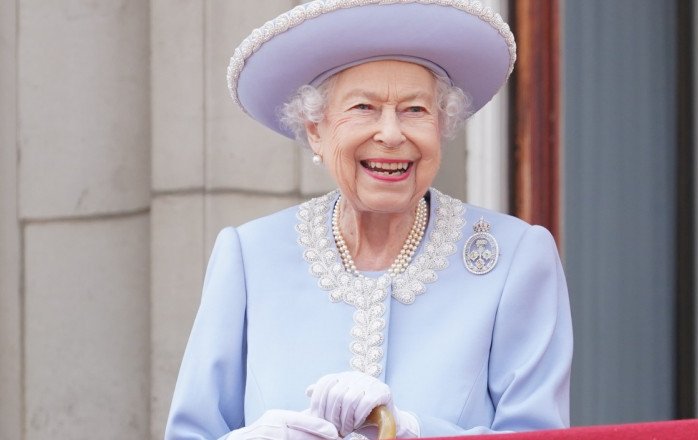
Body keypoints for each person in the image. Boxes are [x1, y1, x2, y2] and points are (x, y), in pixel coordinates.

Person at [165, 1, 572, 439]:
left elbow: (540, 436)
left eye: (415, 110)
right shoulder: (249, 255)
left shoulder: (515, 258)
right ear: (316, 129)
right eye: (363, 107)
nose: (392, 134)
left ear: (442, 124)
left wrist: (413, 431)